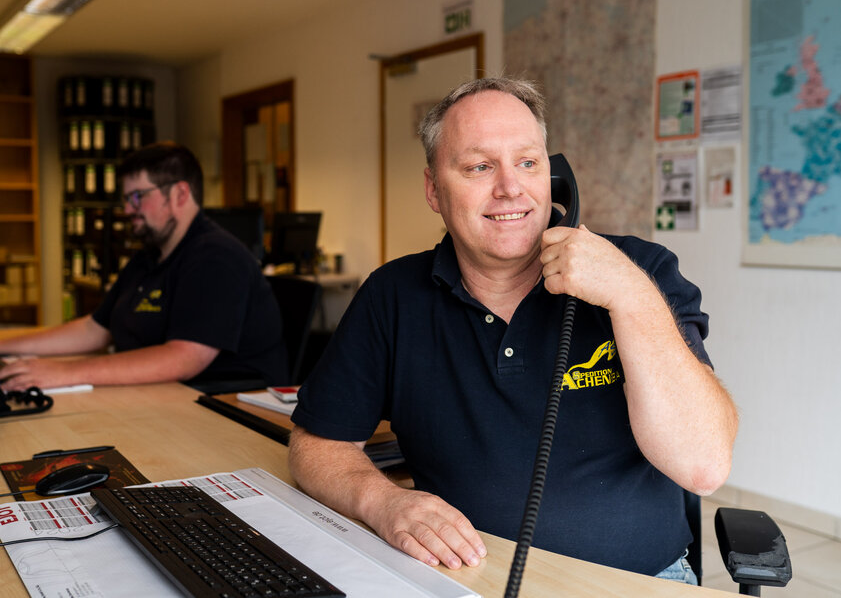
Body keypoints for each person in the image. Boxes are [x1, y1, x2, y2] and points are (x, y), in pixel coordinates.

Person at [287, 78, 738, 582]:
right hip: (463, 578)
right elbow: (315, 445)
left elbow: (704, 466)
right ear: (433, 190)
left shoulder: (640, 270)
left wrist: (630, 296)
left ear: (554, 177)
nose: (510, 187)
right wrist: (383, 501)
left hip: (639, 581)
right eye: (479, 167)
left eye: (527, 162)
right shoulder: (392, 295)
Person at [0, 143, 287, 391]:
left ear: (180, 194)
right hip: (165, 396)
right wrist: (6, 343)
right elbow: (95, 329)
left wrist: (65, 372)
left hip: (219, 407)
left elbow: (184, 358)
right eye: (127, 199)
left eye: (137, 196)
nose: (127, 209)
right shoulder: (150, 255)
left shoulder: (217, 258)